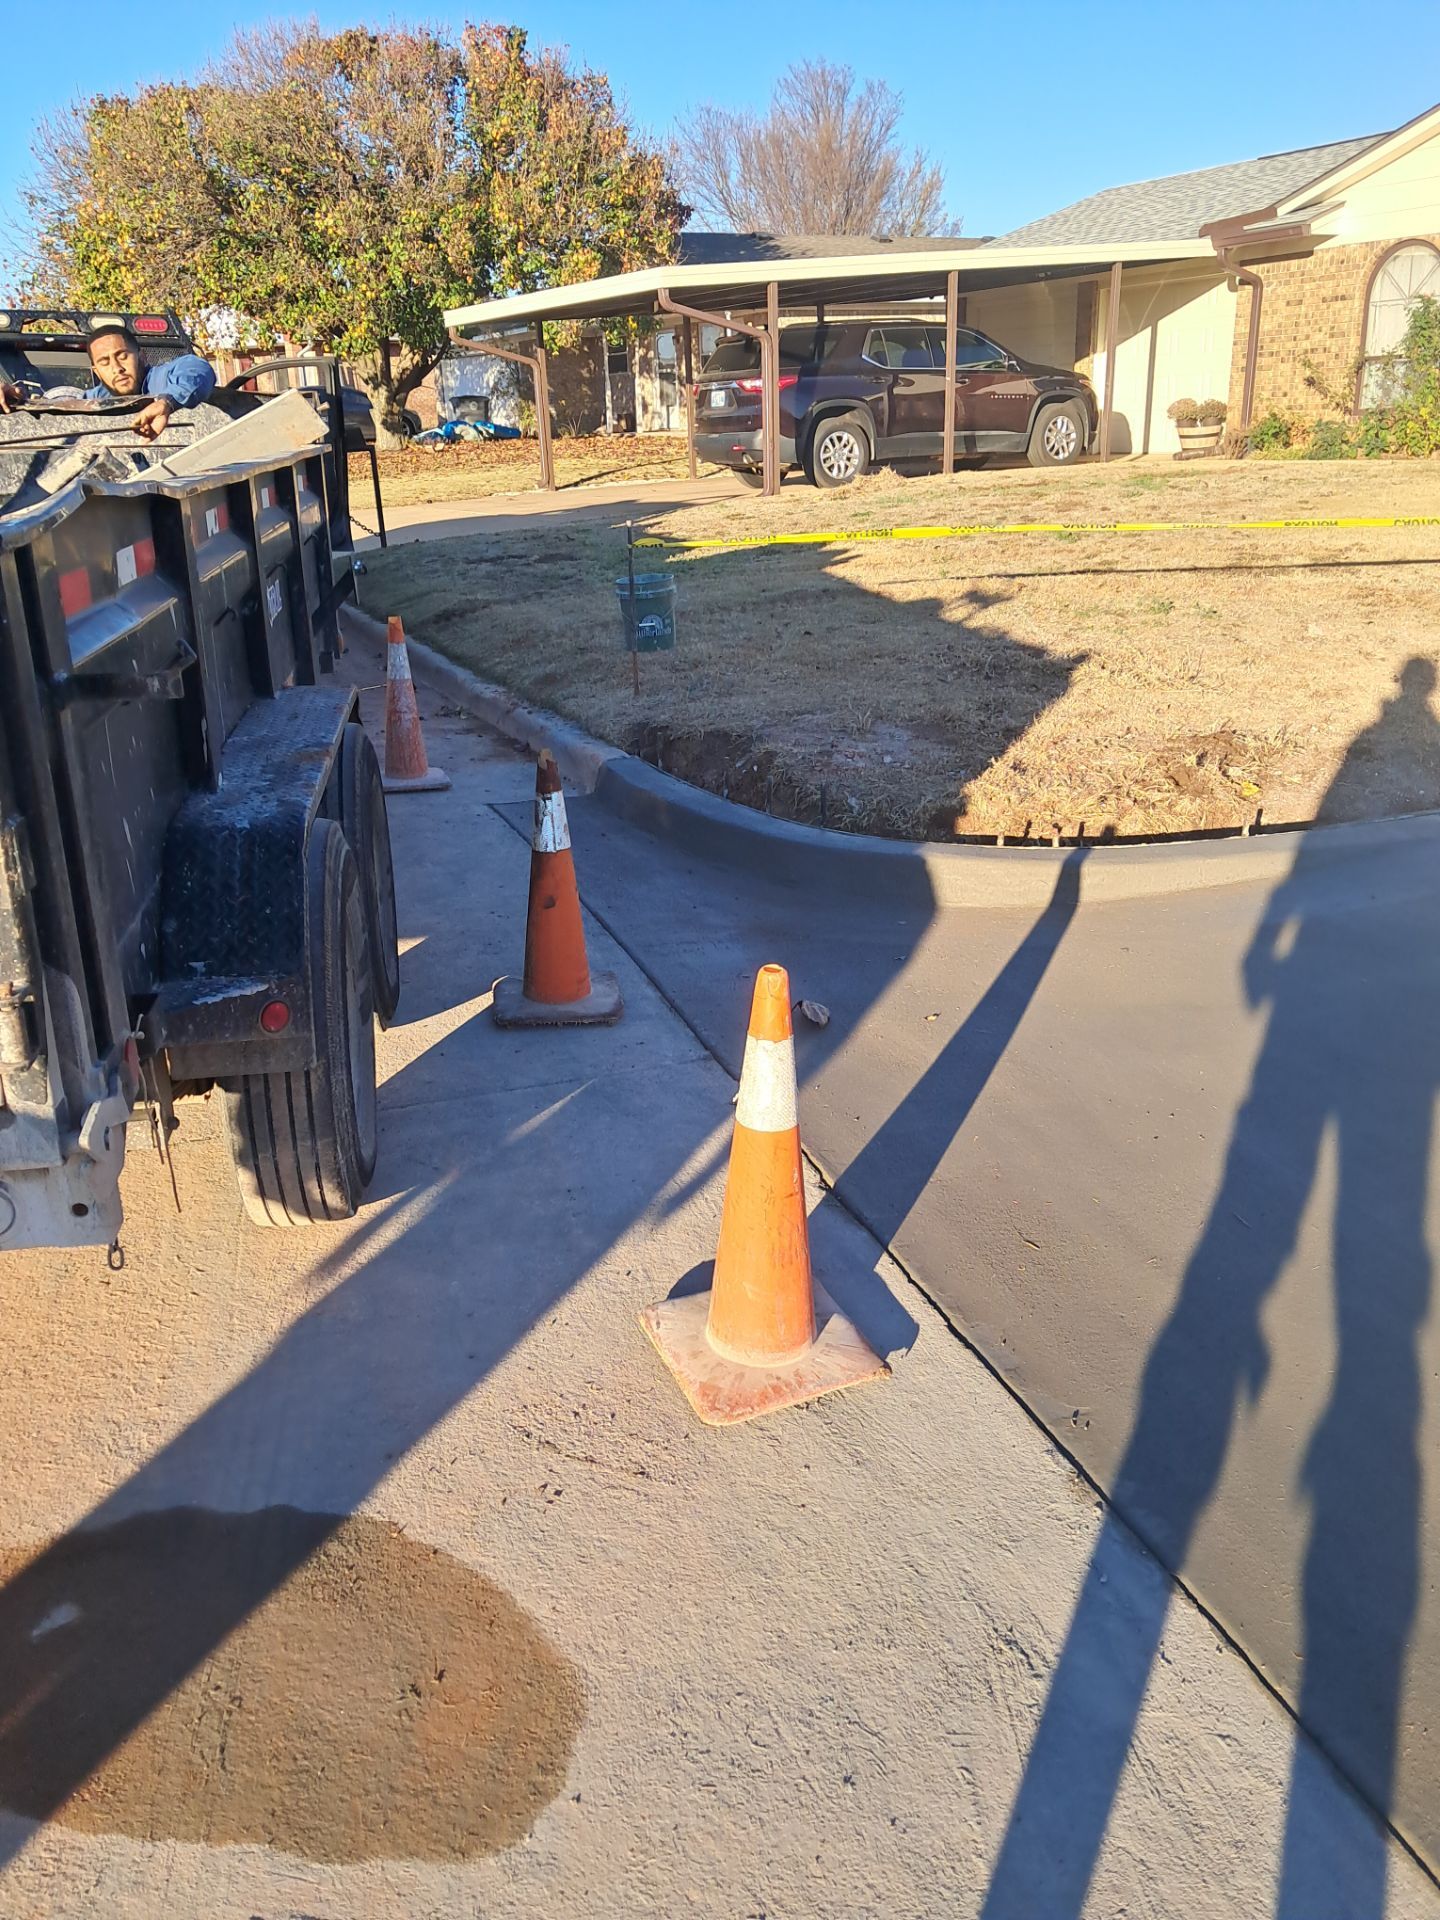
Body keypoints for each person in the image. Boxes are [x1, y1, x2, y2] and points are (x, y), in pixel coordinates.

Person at [84, 325, 216, 441]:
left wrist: (167, 402)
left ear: (142, 357)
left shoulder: (163, 379)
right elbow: (73, 401)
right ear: (97, 372)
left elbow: (197, 369)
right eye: (104, 362)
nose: (117, 368)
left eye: (123, 356)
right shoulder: (96, 400)